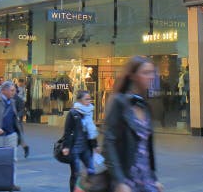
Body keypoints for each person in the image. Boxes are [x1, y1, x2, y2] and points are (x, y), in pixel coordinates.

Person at [103, 56, 163, 192]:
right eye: (146, 73)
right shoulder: (119, 102)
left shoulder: (145, 105)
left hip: (146, 181)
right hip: (127, 181)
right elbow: (109, 144)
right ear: (133, 76)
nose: (151, 77)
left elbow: (147, 147)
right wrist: (119, 181)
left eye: (152, 72)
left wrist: (154, 179)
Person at [61, 90, 98, 192]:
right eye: (86, 99)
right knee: (76, 173)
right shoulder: (73, 113)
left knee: (91, 170)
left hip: (86, 148)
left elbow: (92, 130)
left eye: (89, 98)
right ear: (80, 100)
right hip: (74, 148)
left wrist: (95, 145)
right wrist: (66, 146)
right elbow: (68, 131)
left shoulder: (89, 111)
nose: (89, 100)